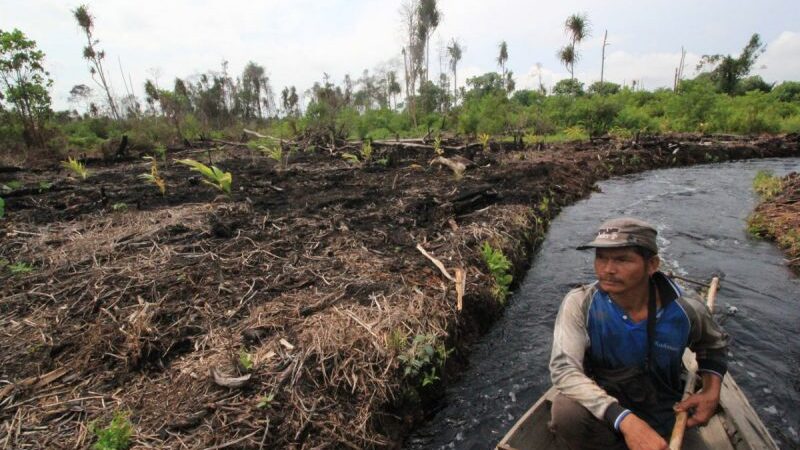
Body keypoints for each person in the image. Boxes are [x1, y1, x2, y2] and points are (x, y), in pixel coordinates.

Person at [548, 217, 729, 450]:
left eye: (622, 259)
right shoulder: (581, 303)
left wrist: (711, 391)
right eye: (601, 258)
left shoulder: (687, 309)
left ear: (652, 265)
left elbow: (713, 346)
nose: (607, 269)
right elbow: (564, 370)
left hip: (665, 410)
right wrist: (626, 421)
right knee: (566, 412)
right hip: (604, 409)